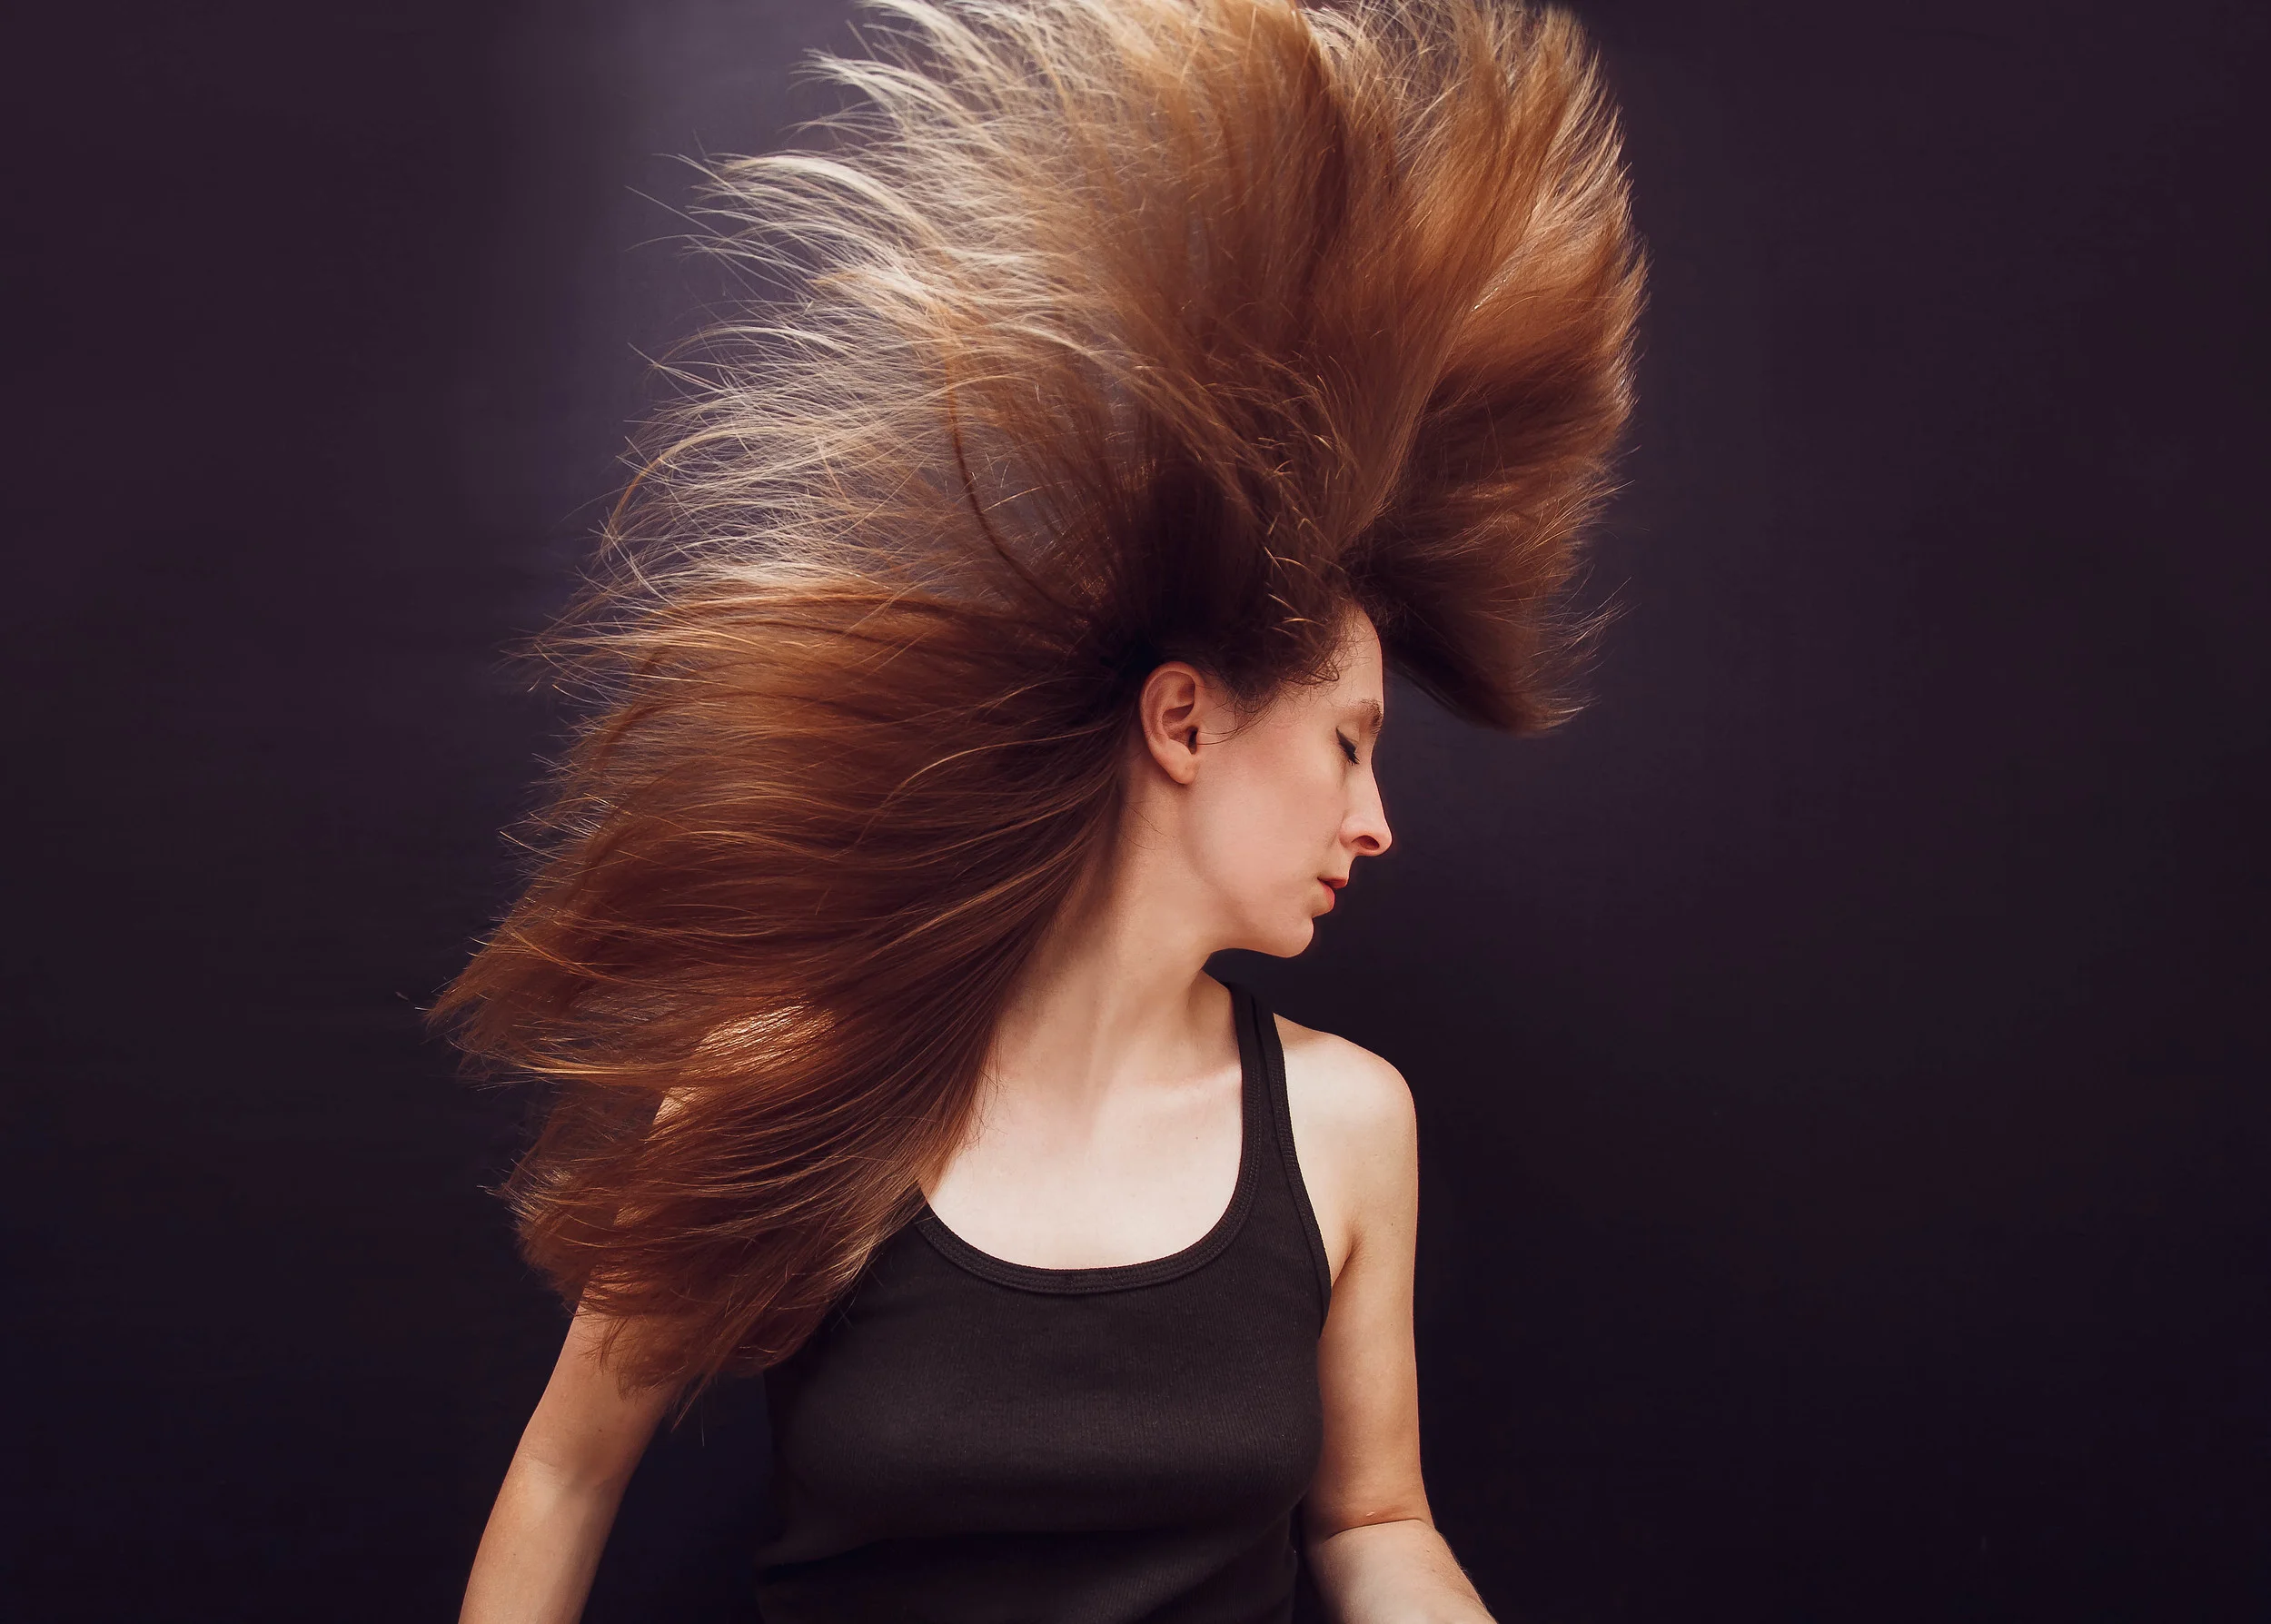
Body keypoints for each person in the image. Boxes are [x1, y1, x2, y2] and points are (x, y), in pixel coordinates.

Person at [439, 0, 1642, 1618]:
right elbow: (567, 1474)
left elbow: (1371, 1524)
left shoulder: (1350, 1126)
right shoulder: (792, 1079)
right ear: (1183, 722)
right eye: (1351, 744)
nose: (1378, 822)